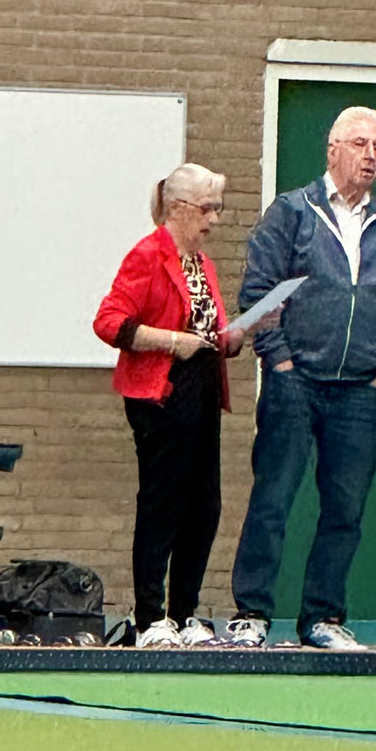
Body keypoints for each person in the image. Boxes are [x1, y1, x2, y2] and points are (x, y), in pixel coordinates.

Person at [228, 107, 376, 650]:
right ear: (332, 150)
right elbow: (259, 293)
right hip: (295, 382)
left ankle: (323, 618)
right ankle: (252, 613)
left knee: (345, 511)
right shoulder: (291, 213)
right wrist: (279, 361)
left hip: (361, 392)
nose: (370, 156)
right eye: (359, 144)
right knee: (273, 498)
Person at [94, 163, 250, 648]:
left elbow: (207, 329)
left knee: (204, 505)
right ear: (179, 208)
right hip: (160, 391)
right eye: (207, 209)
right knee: (163, 502)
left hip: (202, 387)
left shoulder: (202, 264)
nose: (214, 220)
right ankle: (149, 617)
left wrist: (235, 335)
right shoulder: (148, 255)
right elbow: (109, 322)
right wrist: (170, 341)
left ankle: (184, 612)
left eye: (217, 209)